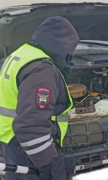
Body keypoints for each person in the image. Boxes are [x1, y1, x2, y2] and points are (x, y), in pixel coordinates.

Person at [0, 16, 79, 180]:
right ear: (60, 43)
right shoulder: (42, 69)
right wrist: (46, 164)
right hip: (31, 152)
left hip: (11, 141)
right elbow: (31, 125)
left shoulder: (20, 55)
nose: (69, 55)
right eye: (69, 49)